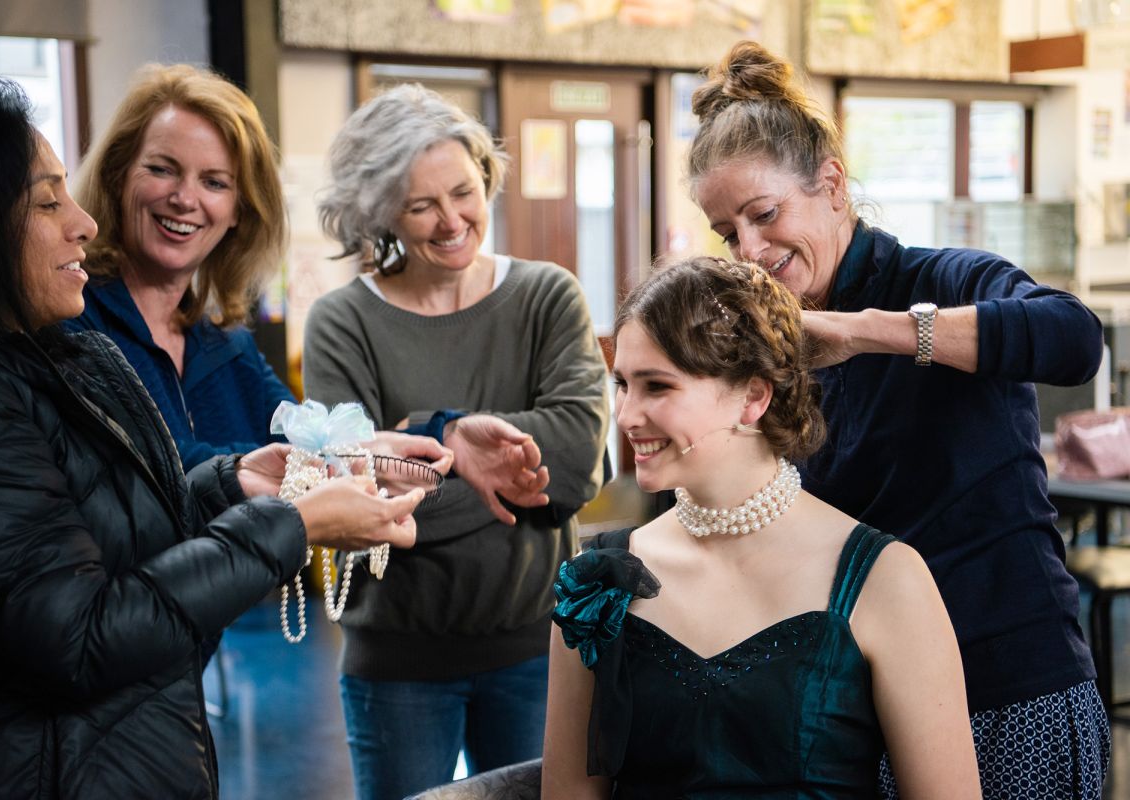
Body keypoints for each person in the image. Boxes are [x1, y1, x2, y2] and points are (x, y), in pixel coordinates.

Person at [0, 75, 427, 799]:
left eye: (215, 181)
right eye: (46, 201)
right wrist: (284, 516)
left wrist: (252, 478)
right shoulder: (29, 351)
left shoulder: (169, 343)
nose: (82, 223)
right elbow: (79, 629)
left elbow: (157, 485)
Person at [688, 41, 1110, 796]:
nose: (751, 250)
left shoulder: (942, 279)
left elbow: (1074, 339)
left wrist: (860, 332)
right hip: (868, 703)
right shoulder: (774, 346)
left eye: (765, 214)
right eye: (729, 234)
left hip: (1008, 691)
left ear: (832, 185)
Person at [542, 256, 980, 798]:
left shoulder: (885, 578)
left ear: (753, 397)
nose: (627, 415)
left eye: (656, 386)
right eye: (622, 384)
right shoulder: (597, 583)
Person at [306, 83, 610, 800]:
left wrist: (416, 454)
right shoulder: (343, 323)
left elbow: (577, 465)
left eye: (464, 192)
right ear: (381, 213)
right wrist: (497, 475)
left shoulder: (547, 297)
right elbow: (355, 500)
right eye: (421, 205)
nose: (452, 221)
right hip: (397, 663)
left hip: (539, 650)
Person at [65, 63, 295, 472]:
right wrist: (258, 469)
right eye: (162, 170)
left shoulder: (230, 347)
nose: (185, 199)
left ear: (240, 210)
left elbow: (312, 440)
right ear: (118, 177)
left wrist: (427, 436)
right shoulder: (72, 320)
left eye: (215, 182)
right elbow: (143, 467)